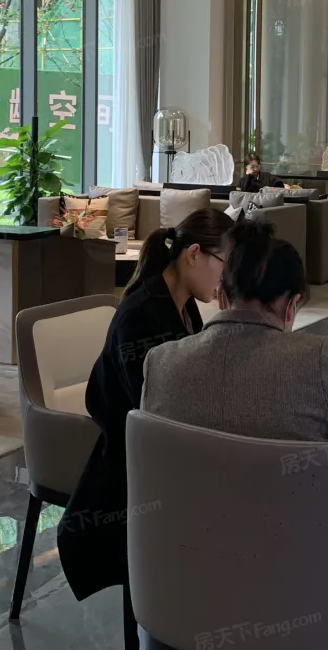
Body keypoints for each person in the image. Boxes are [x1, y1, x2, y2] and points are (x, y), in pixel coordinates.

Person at [140, 217, 328, 650]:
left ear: (221, 294)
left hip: (184, 585)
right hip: (302, 592)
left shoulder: (161, 364)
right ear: (291, 306)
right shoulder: (315, 364)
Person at [58, 207, 234, 609]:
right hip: (132, 463)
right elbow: (157, 410)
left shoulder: (181, 303)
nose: (226, 279)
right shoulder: (142, 316)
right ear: (194, 255)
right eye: (225, 265)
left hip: (161, 448)